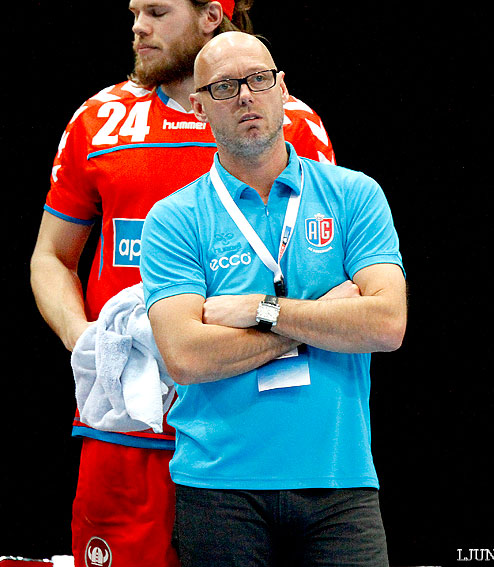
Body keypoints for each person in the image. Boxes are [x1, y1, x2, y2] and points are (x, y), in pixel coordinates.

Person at [29, 1, 335, 565]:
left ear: (210, 17)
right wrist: (89, 346)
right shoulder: (99, 120)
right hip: (126, 434)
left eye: (156, 11)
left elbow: (324, 282)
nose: (137, 26)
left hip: (248, 431)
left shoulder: (288, 123)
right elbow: (50, 255)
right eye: (133, 12)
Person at [139, 31, 406, 567]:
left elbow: (387, 324)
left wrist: (258, 312)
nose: (245, 96)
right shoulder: (173, 218)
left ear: (282, 89)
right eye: (225, 87)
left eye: (259, 80)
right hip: (218, 489)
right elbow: (185, 357)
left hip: (340, 482)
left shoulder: (354, 194)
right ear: (199, 108)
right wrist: (321, 318)